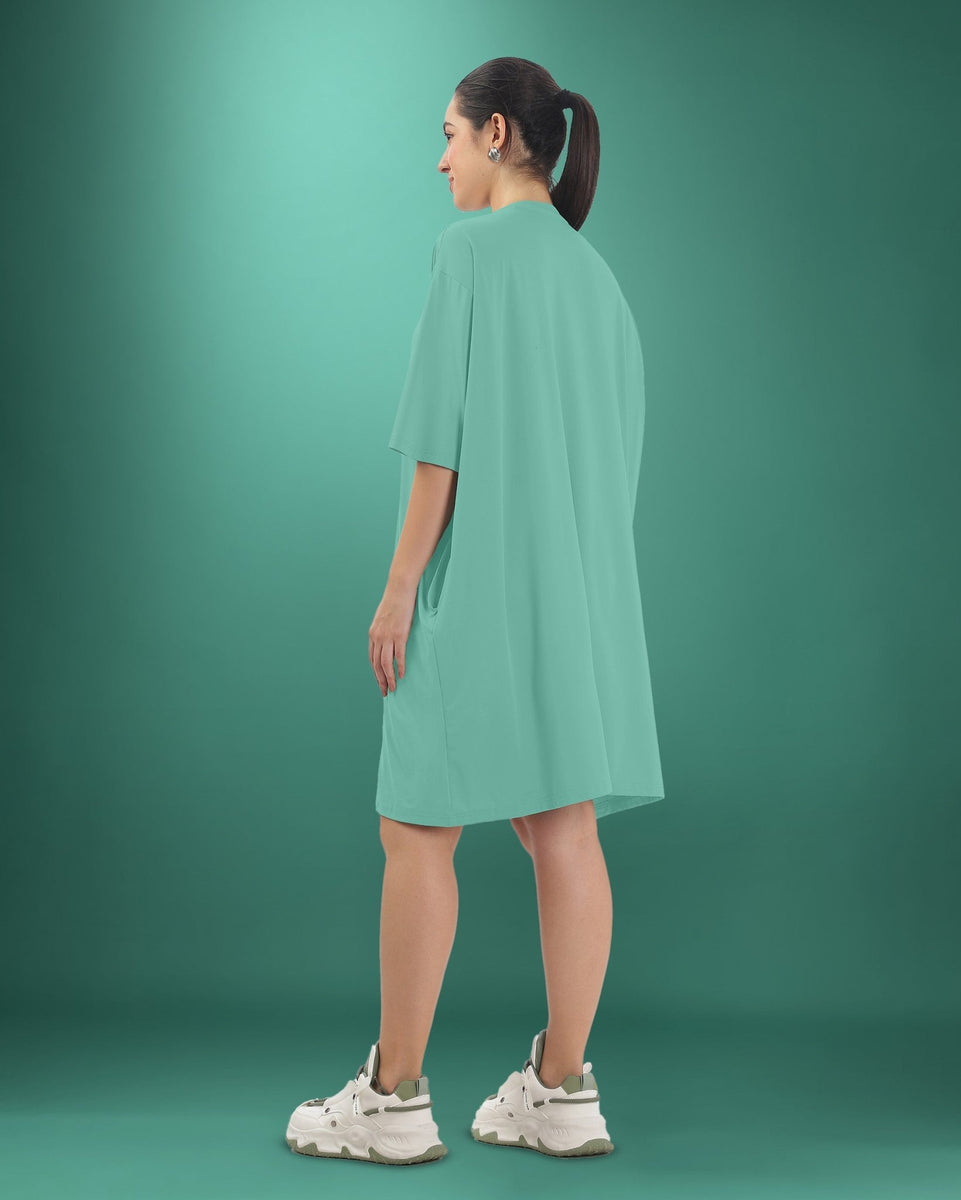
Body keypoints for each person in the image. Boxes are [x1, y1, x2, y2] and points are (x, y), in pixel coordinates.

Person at [286, 56, 664, 1166]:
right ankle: (563, 1088)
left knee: (416, 828)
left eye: (449, 134)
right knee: (563, 825)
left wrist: (401, 586)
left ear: (499, 134)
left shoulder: (467, 255)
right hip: (581, 600)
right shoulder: (600, 282)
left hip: (479, 589)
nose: (439, 158)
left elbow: (437, 446)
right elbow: (618, 464)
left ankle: (393, 1098)